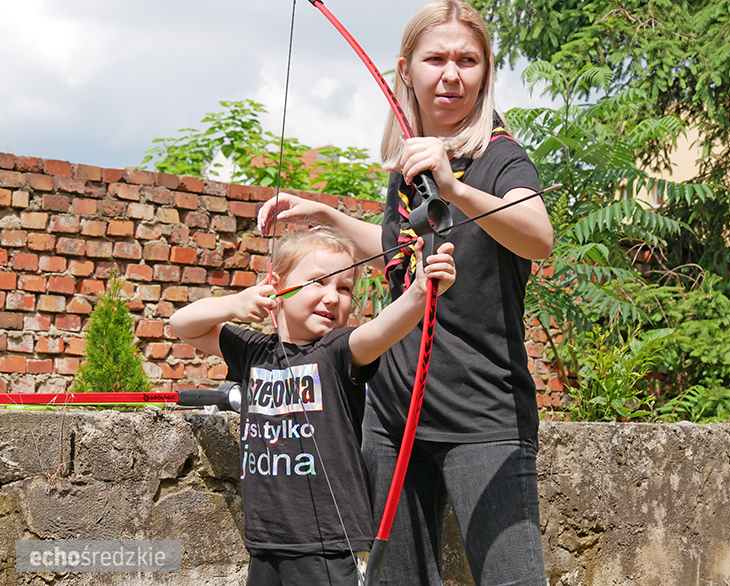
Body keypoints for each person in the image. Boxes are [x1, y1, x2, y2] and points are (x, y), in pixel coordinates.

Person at [257, 1, 553, 584]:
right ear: (406, 71)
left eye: (468, 61)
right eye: (435, 58)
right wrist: (327, 214)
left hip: (482, 416)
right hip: (394, 414)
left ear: (485, 73)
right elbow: (402, 246)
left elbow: (537, 236)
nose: (451, 75)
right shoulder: (409, 167)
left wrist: (454, 186)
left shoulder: (499, 159)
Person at [169, 227, 456, 586]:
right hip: (266, 540)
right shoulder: (253, 350)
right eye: (318, 282)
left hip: (329, 544)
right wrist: (235, 304)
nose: (332, 297)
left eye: (345, 288)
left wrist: (419, 291)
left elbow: (382, 329)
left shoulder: (338, 350)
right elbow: (181, 325)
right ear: (277, 284)